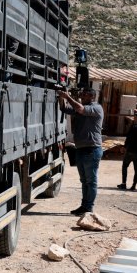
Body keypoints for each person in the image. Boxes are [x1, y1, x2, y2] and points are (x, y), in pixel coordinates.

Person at [58, 87, 104, 215]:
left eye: (85, 95)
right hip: (81, 149)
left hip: (92, 149)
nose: (82, 96)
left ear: (92, 97)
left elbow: (80, 109)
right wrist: (61, 97)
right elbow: (64, 108)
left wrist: (67, 97)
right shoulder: (81, 107)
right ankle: (84, 205)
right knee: (84, 181)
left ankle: (89, 207)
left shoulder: (96, 108)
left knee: (91, 180)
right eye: (82, 94)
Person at [118, 112, 137, 190]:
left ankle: (124, 184)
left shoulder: (134, 127)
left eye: (135, 117)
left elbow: (128, 139)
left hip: (130, 151)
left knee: (125, 166)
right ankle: (134, 185)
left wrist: (124, 147)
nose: (134, 119)